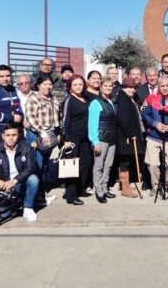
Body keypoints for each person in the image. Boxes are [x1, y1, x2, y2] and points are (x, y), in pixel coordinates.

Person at [0, 124, 41, 222]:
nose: (11, 138)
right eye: (8, 135)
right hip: (3, 186)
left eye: (14, 135)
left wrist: (14, 181)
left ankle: (28, 208)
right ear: (3, 136)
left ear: (18, 135)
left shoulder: (26, 147)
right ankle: (12, 203)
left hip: (19, 183)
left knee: (34, 180)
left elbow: (31, 168)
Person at [141, 76, 168, 193]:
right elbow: (144, 115)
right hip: (154, 136)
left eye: (167, 86)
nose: (165, 88)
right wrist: (155, 123)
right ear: (158, 86)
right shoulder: (151, 98)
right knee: (153, 163)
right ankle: (156, 186)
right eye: (162, 86)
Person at [24, 76, 62, 197]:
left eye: (49, 84)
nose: (47, 87)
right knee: (37, 164)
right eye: (44, 84)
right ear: (38, 85)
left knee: (45, 163)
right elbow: (31, 117)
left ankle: (42, 191)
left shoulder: (53, 98)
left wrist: (58, 131)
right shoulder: (34, 98)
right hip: (37, 135)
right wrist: (42, 133)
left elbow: (58, 116)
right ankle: (34, 194)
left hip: (50, 135)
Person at [87, 78, 119, 203]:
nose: (108, 88)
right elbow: (92, 124)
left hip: (112, 138)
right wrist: (95, 142)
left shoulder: (110, 101)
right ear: (100, 87)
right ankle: (98, 190)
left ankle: (105, 188)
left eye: (110, 86)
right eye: (105, 85)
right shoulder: (96, 103)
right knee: (99, 166)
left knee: (108, 165)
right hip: (101, 139)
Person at [61, 76, 91, 204]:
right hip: (73, 137)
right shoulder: (69, 100)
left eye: (80, 84)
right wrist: (65, 139)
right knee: (72, 166)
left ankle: (80, 189)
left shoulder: (86, 98)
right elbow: (65, 120)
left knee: (85, 163)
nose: (78, 87)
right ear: (70, 87)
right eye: (75, 85)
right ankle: (70, 195)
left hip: (85, 137)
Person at [115, 76, 145, 197]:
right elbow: (122, 119)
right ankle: (125, 188)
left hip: (128, 135)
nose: (131, 90)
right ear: (123, 88)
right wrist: (130, 134)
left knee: (126, 160)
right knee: (125, 161)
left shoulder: (128, 98)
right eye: (129, 88)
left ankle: (123, 183)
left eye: (133, 88)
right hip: (125, 136)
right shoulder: (123, 99)